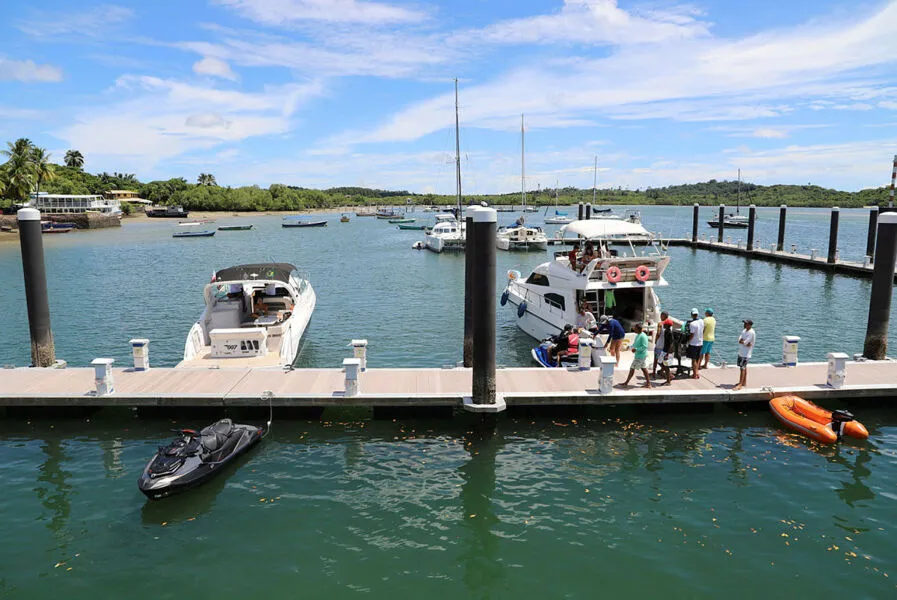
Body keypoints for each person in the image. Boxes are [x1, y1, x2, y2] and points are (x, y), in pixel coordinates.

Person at [620, 323, 653, 388]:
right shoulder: (638, 335)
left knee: (632, 368)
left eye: (635, 328)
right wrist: (628, 348)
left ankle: (626, 382)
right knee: (643, 369)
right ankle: (648, 384)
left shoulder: (643, 336)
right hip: (638, 355)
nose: (634, 329)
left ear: (639, 329)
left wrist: (636, 350)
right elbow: (635, 345)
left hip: (641, 356)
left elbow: (644, 347)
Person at [733, 319, 755, 391]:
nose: (744, 325)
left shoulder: (751, 332)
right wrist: (743, 342)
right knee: (742, 367)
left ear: (750, 325)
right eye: (744, 323)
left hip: (746, 354)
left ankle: (740, 384)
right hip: (741, 352)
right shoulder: (744, 331)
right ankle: (743, 382)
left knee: (743, 368)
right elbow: (740, 339)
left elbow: (746, 342)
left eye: (746, 324)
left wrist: (744, 342)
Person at [686, 308, 704, 379]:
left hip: (694, 344)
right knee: (698, 358)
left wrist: (688, 341)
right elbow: (703, 329)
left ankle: (694, 374)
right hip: (700, 342)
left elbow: (691, 334)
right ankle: (697, 372)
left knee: (693, 360)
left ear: (691, 315)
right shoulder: (702, 321)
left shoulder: (692, 324)